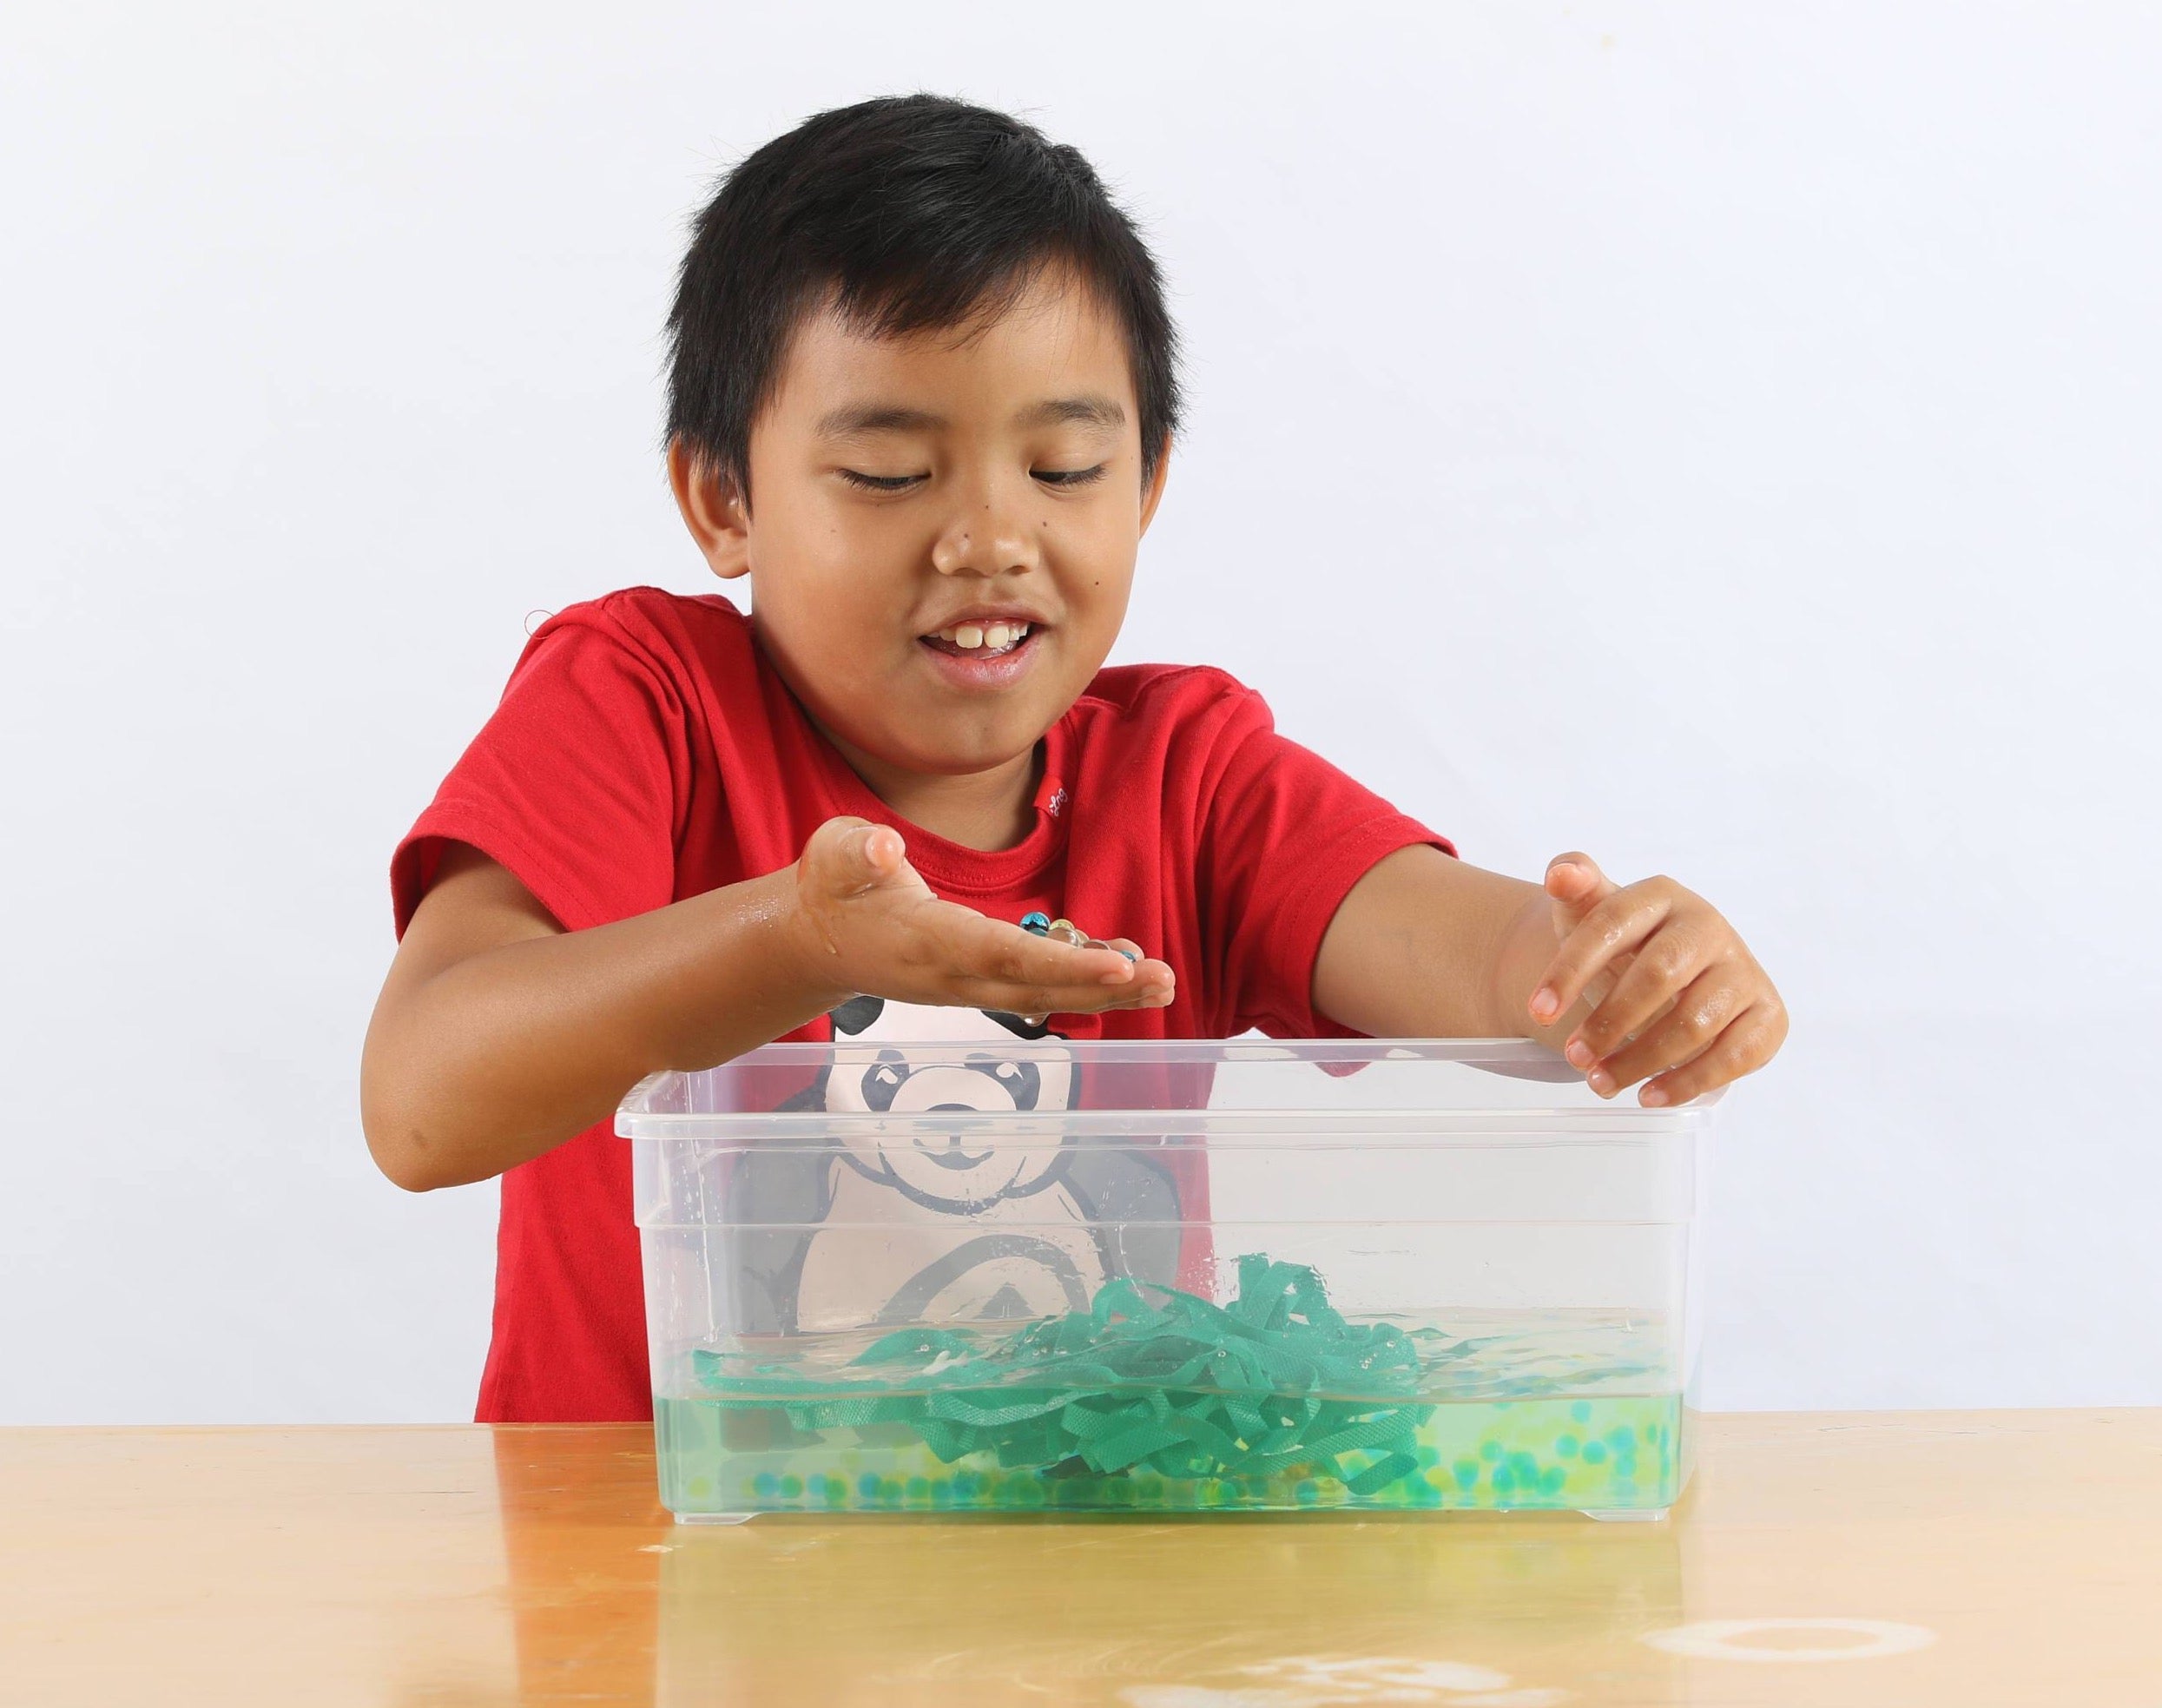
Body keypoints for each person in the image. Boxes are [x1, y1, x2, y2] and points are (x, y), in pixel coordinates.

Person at [360, 94, 1788, 1423]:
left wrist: (1621, 971)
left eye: (1061, 470)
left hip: (1079, 1598)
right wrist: (796, 942)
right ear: (723, 498)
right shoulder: (645, 702)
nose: (990, 537)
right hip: (645, 1592)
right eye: (890, 474)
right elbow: (421, 1105)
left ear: (1148, 486)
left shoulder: (1187, 778)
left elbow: (1490, 966)